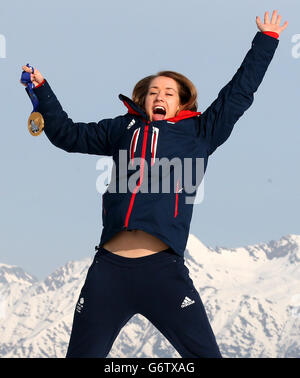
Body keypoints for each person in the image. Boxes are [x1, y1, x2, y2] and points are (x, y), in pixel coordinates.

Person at [20, 10, 287, 358]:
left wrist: (265, 40)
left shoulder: (200, 133)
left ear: (182, 103)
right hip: (108, 272)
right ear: (143, 101)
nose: (159, 96)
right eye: (152, 92)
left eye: (169, 93)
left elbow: (238, 94)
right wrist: (41, 89)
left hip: (163, 271)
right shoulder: (121, 130)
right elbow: (67, 134)